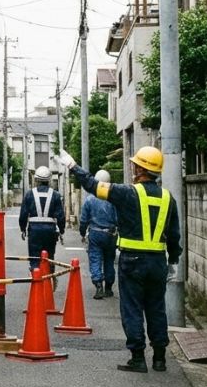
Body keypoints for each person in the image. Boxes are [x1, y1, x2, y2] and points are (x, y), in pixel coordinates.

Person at [61, 146, 181, 374]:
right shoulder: (168, 198)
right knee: (157, 309)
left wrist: (72, 166)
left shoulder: (127, 193)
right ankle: (159, 358)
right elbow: (174, 235)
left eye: (135, 164)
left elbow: (94, 186)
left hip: (132, 262)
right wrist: (173, 260)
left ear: (139, 168)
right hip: (158, 263)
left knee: (132, 308)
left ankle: (138, 358)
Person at [78, 170, 118, 300]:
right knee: (109, 260)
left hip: (95, 233)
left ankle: (98, 285)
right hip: (111, 234)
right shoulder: (113, 199)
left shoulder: (89, 199)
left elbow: (84, 219)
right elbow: (119, 219)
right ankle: (109, 288)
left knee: (95, 259)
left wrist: (82, 233)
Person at [18, 166, 65, 273]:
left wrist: (23, 229)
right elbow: (61, 216)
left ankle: (36, 279)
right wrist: (61, 231)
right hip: (50, 230)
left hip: (34, 230)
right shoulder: (56, 195)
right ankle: (50, 278)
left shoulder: (29, 194)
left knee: (35, 257)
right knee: (49, 255)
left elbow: (23, 214)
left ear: (36, 180)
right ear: (49, 180)